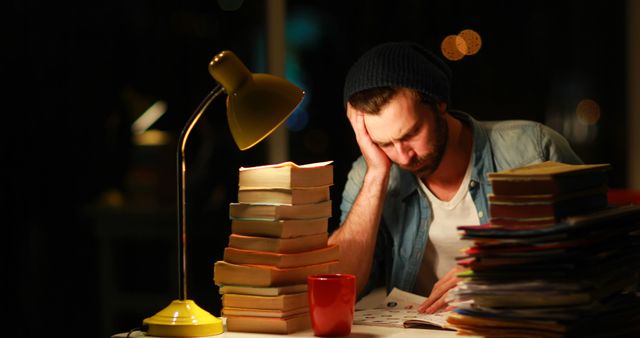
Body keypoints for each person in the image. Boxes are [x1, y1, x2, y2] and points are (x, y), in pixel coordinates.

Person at [327, 41, 582, 314]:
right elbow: (340, 286)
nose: (402, 157)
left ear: (439, 103)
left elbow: (600, 252)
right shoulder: (370, 173)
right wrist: (377, 174)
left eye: (411, 134)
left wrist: (496, 272)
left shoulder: (533, 149)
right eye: (384, 144)